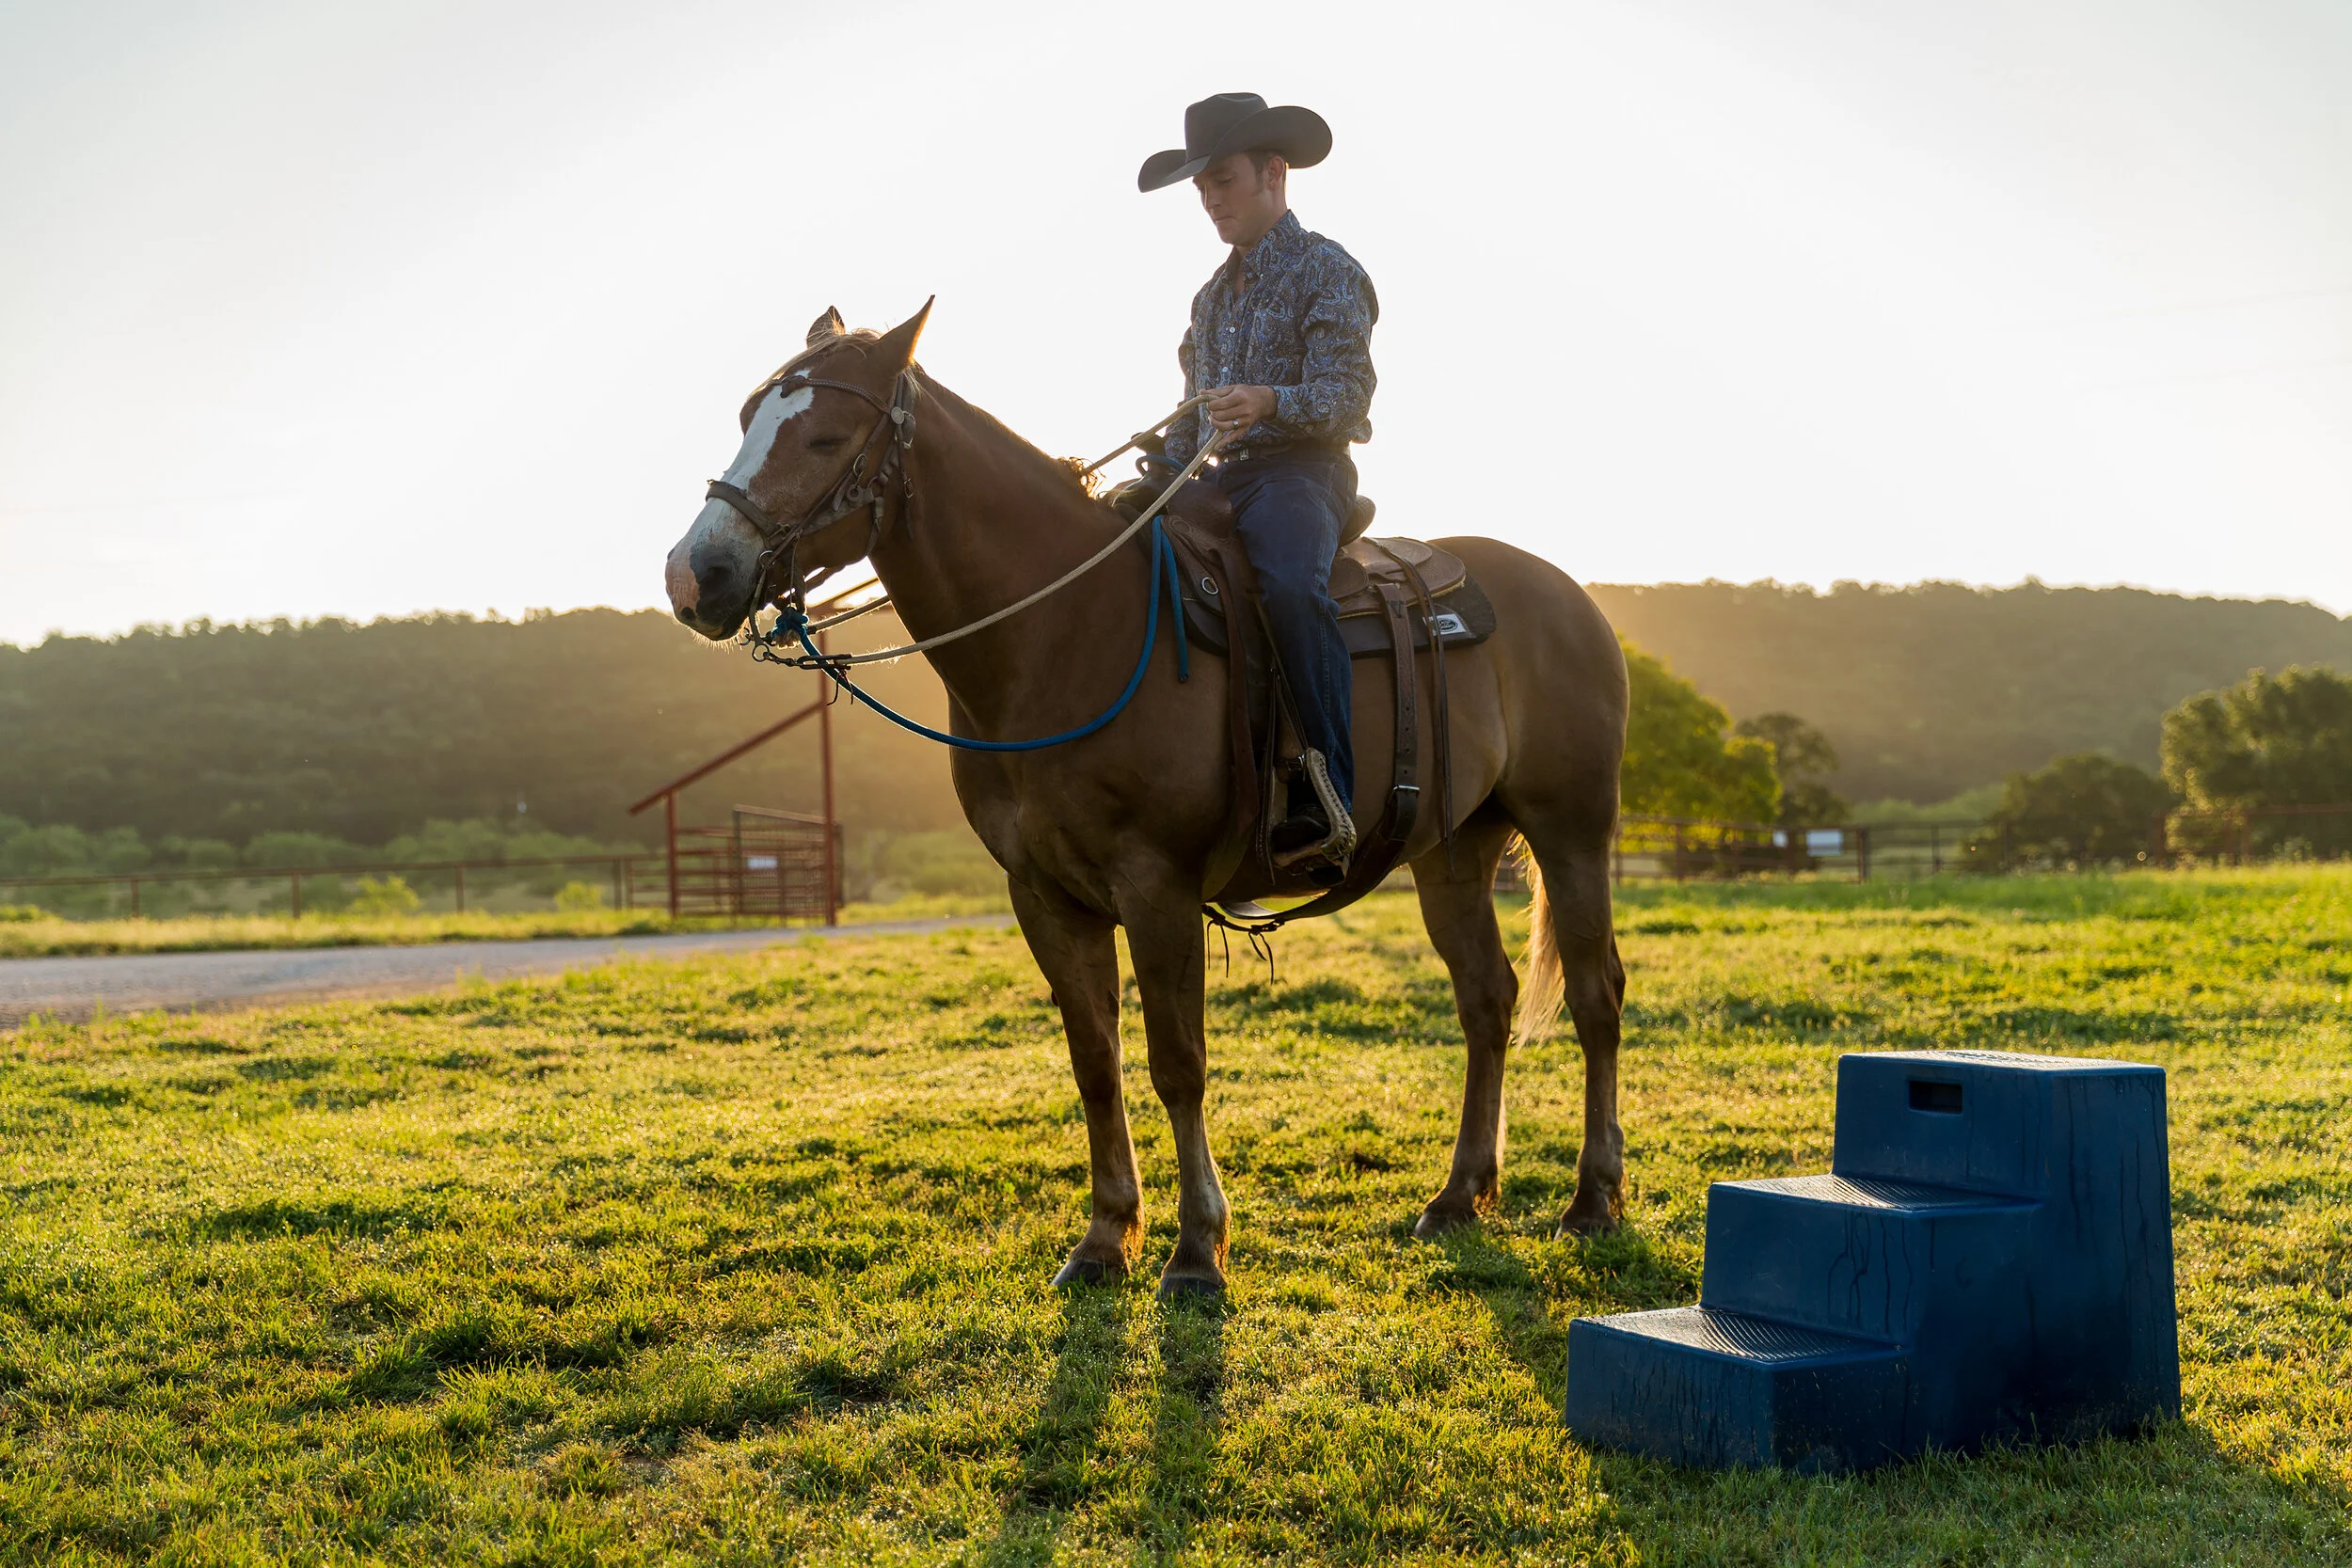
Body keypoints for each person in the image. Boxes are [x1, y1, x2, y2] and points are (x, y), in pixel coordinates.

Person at [1140, 92, 1378, 871]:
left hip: (1302, 473)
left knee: (1285, 584)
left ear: (1274, 173)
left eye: (1223, 180)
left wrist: (1272, 401)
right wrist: (1158, 463)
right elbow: (1191, 414)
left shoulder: (1329, 271)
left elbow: (1347, 395)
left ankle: (1327, 788)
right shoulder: (1210, 299)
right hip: (1216, 477)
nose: (1210, 200)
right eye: (1202, 187)